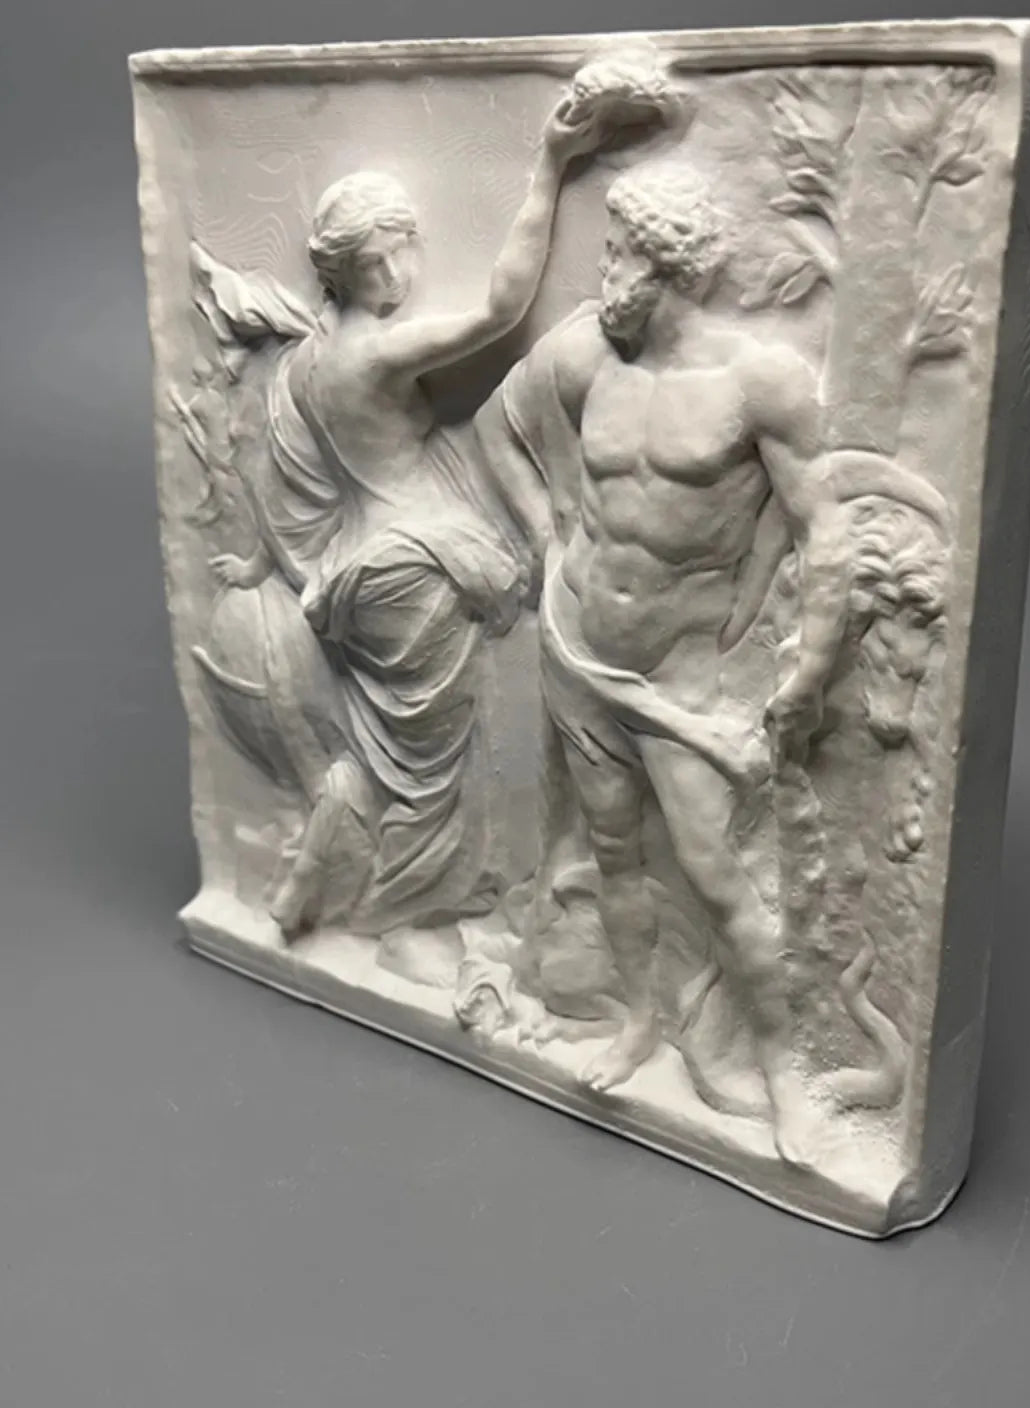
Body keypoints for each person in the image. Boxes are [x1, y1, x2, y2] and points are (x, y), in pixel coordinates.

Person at [476, 157, 945, 1166]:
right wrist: (548, 530)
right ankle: (640, 1020)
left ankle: (788, 1081)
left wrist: (806, 676)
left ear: (671, 265)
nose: (605, 270)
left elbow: (825, 527)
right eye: (607, 248)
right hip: (578, 650)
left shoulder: (758, 381)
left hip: (680, 672)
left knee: (718, 874)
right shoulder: (584, 355)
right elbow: (497, 426)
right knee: (614, 852)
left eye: (620, 253)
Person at [215, 97, 611, 937]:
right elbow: (503, 311)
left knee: (413, 755)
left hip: (365, 566)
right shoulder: (378, 355)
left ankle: (323, 867)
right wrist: (551, 164)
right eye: (377, 263)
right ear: (344, 271)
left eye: (402, 252)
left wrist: (263, 564)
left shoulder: (304, 364)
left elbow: (286, 482)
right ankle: (393, 916)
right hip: (419, 569)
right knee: (435, 774)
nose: (397, 276)